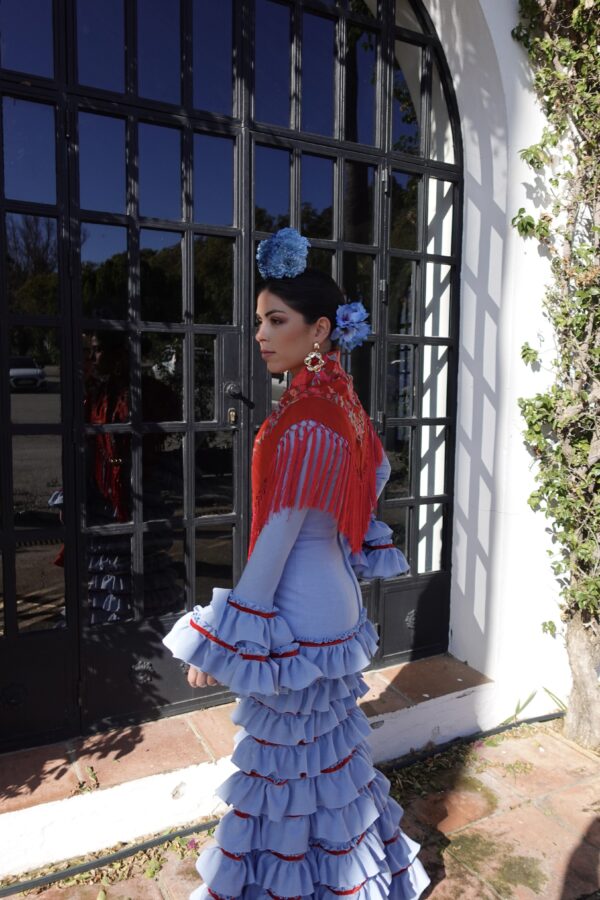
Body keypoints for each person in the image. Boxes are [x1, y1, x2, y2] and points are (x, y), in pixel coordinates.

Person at [163, 228, 430, 899]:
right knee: (328, 762)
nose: (259, 334)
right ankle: (349, 877)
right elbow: (368, 496)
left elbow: (278, 539)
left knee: (285, 767)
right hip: (331, 603)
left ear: (319, 332)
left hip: (300, 606)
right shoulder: (344, 409)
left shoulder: (308, 417)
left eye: (274, 320)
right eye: (258, 320)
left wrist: (222, 641)